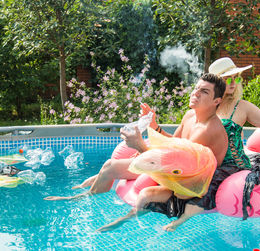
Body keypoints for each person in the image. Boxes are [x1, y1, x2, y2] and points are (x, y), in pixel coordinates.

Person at [110, 57, 260, 232]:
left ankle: (177, 216)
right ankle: (126, 203)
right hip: (198, 162)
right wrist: (155, 129)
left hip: (229, 164)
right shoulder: (199, 110)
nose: (232, 83)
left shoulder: (243, 107)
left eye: (235, 78)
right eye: (227, 79)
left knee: (201, 185)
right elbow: (178, 142)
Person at [44, 74, 229, 206]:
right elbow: (175, 141)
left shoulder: (208, 130)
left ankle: (83, 198)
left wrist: (141, 147)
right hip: (175, 168)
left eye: (204, 92)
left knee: (115, 166)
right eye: (196, 88)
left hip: (187, 182)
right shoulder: (190, 115)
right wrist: (155, 126)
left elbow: (180, 168)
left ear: (216, 101)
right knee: (110, 166)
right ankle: (89, 196)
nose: (195, 93)